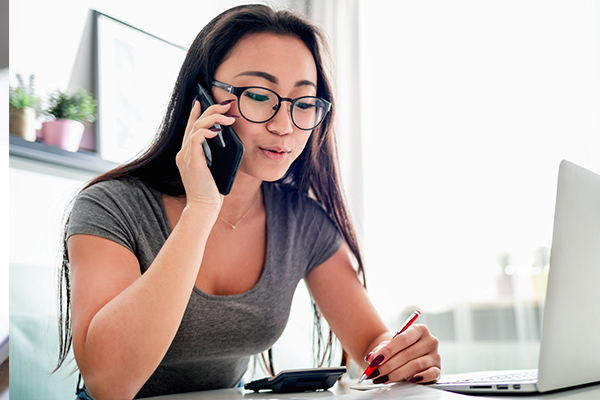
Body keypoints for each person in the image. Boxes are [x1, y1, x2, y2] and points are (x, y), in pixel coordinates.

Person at [56, 4, 441, 399]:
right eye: (258, 95)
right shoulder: (110, 207)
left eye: (304, 102)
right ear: (202, 99)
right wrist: (201, 211)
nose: (284, 125)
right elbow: (110, 384)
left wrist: (401, 354)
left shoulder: (300, 221)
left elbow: (372, 341)